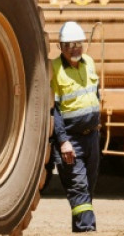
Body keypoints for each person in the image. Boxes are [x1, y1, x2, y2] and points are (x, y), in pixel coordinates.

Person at [50, 21, 101, 232]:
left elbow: (94, 94)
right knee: (79, 189)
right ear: (61, 47)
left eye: (78, 44)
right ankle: (88, 230)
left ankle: (80, 229)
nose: (75, 49)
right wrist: (63, 142)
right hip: (71, 141)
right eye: (69, 45)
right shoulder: (54, 69)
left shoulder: (89, 62)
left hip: (92, 139)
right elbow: (54, 110)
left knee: (86, 192)